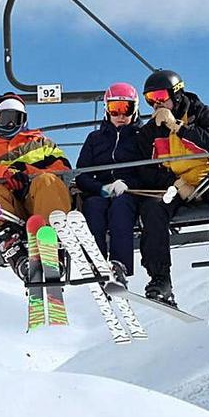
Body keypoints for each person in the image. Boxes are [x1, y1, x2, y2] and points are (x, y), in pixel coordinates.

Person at [136, 69, 209, 306]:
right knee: (153, 208)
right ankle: (160, 279)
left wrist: (178, 127)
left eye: (160, 96)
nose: (156, 104)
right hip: (178, 186)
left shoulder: (200, 113)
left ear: (176, 95)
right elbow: (145, 169)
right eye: (150, 99)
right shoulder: (151, 130)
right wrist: (175, 184)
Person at [0, 92, 72, 280]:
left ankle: (51, 245)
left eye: (15, 118)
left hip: (38, 202)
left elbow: (63, 169)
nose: (9, 123)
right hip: (10, 210)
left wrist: (27, 172)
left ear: (23, 120)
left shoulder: (41, 143)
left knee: (48, 181)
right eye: (5, 118)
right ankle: (15, 251)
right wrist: (4, 173)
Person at [75, 82, 148, 277]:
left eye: (126, 109)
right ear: (107, 110)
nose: (121, 116)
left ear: (136, 109)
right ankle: (96, 262)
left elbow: (147, 171)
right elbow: (82, 174)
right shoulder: (95, 138)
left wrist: (127, 185)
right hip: (100, 190)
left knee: (120, 207)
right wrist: (102, 188)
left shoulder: (142, 137)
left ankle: (119, 266)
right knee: (93, 206)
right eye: (114, 109)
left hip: (129, 192)